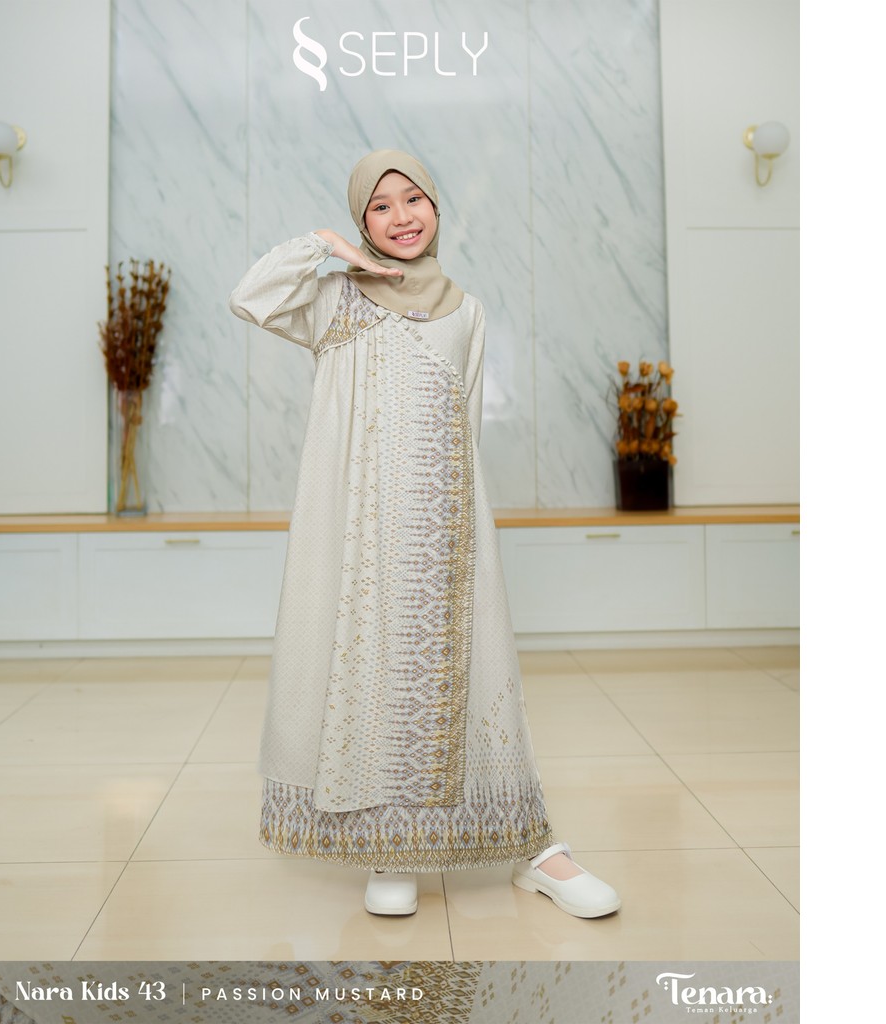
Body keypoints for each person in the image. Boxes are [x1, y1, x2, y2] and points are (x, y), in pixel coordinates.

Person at [229, 149, 620, 919]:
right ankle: (391, 845)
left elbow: (466, 422)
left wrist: (461, 529)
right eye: (379, 206)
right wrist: (324, 248)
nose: (401, 217)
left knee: (470, 674)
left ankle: (533, 846)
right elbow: (250, 298)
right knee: (371, 674)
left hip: (442, 528)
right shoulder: (335, 301)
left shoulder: (466, 310)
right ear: (361, 222)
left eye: (414, 199)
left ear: (437, 208)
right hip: (358, 532)